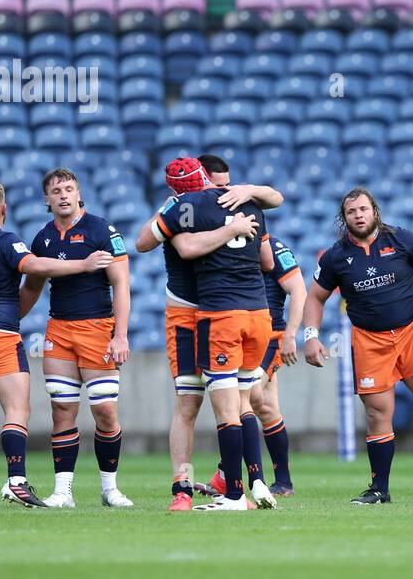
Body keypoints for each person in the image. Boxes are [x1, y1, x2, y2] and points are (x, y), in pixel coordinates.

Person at [0, 181, 113, 508]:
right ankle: (16, 480)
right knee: (17, 410)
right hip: (0, 337)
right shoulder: (5, 241)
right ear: (3, 209)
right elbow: (35, 266)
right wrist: (83, 265)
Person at [303, 187, 413, 504]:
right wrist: (311, 335)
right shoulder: (335, 257)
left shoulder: (401, 239)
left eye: (363, 209)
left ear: (375, 212)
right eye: (351, 211)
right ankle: (380, 489)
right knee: (378, 415)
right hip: (370, 341)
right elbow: (315, 297)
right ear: (344, 218)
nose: (358, 215)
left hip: (411, 334)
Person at [135, 155, 283, 511]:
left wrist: (250, 190)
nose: (221, 188)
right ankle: (182, 487)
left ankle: (248, 485)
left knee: (238, 401)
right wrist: (233, 227)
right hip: (189, 313)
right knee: (190, 402)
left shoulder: (237, 198)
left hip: (222, 311)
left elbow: (273, 205)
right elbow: (148, 243)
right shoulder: (178, 208)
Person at [186, 155, 301, 501]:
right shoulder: (212, 228)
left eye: (230, 185)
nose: (226, 192)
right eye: (219, 185)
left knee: (247, 401)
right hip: (252, 322)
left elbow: (298, 288)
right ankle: (255, 479)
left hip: (262, 329)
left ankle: (255, 482)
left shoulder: (265, 237)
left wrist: (293, 334)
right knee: (255, 404)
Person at [19, 168, 134, 508]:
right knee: (62, 411)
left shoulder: (101, 229)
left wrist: (121, 335)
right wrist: (8, 319)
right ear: (47, 199)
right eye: (56, 191)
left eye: (69, 189)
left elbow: (122, 284)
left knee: (105, 413)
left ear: (79, 193)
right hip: (59, 332)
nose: (63, 195)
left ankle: (109, 488)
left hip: (99, 330)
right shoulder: (42, 239)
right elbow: (32, 289)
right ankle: (62, 492)